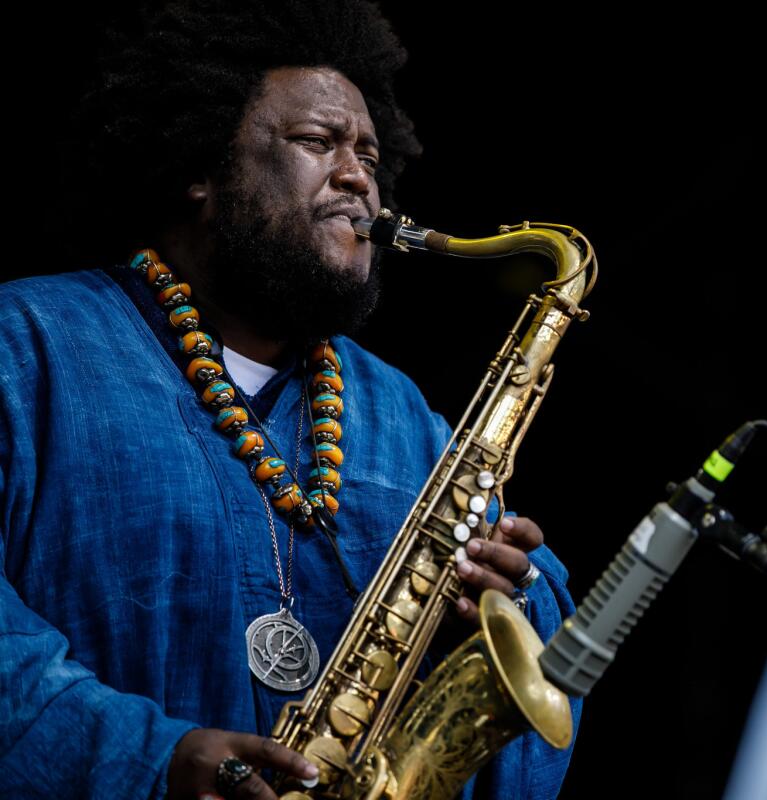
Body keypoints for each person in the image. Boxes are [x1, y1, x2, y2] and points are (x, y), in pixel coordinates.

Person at [0, 1, 582, 798]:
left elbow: (539, 667)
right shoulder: (26, 341)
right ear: (196, 165)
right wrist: (151, 762)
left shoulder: (406, 416)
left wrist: (502, 605)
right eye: (318, 142)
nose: (359, 179)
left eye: (371, 157)